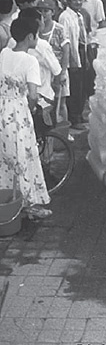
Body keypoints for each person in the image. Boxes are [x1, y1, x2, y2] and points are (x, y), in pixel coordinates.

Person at [0, 17, 52, 219]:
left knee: (5, 157)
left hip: (1, 108)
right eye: (37, 35)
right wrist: (32, 107)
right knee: (24, 156)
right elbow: (32, 94)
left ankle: (7, 199)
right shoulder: (30, 60)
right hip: (17, 112)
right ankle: (28, 204)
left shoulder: (4, 53)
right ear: (30, 36)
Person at [36, 0, 70, 125]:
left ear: (53, 12)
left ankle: (64, 131)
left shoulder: (59, 29)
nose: (43, 14)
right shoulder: (36, 29)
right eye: (40, 11)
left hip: (58, 71)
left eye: (46, 11)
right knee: (45, 104)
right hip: (43, 73)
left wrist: (62, 73)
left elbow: (66, 51)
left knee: (60, 103)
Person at [58, 0, 88, 131]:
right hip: (71, 57)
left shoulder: (79, 15)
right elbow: (66, 41)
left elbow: (82, 38)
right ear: (68, 1)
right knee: (74, 89)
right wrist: (72, 61)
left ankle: (80, 114)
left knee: (81, 87)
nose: (78, 2)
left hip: (81, 52)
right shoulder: (65, 17)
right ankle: (74, 118)